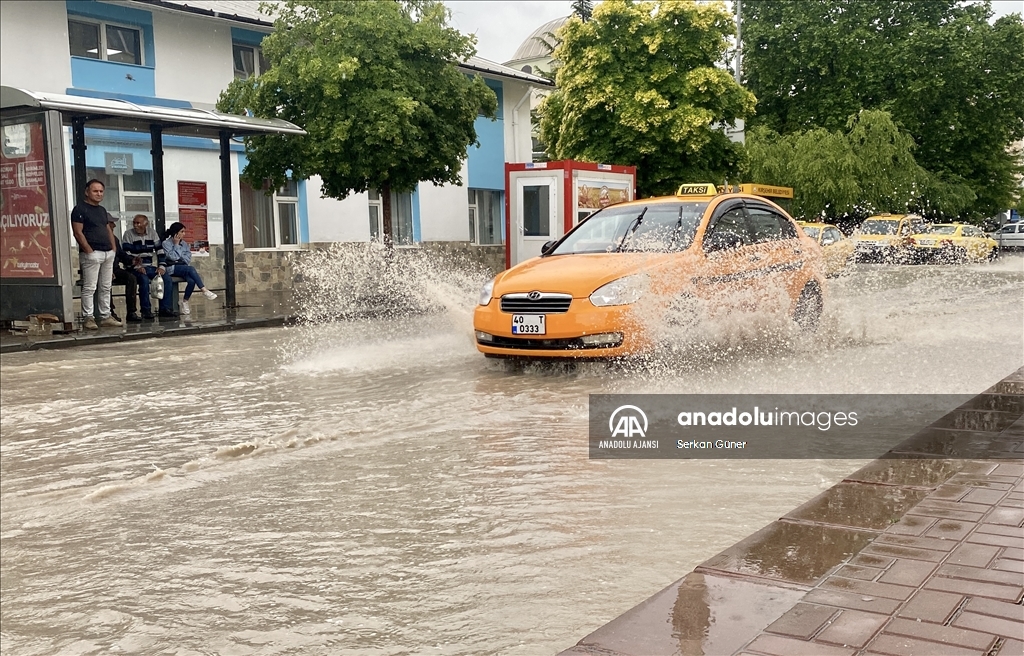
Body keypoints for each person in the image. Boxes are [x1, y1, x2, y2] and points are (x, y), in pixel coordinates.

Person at [71, 179, 121, 330]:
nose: (99, 194)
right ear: (87, 192)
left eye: (101, 191)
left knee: (106, 286)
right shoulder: (79, 209)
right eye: (95, 191)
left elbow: (108, 230)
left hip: (107, 253)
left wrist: (113, 249)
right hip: (92, 254)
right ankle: (88, 317)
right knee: (90, 287)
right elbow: (77, 233)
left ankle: (105, 316)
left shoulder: (102, 210)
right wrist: (88, 250)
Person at [122, 214, 175, 319]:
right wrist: (137, 267)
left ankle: (165, 309)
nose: (135, 225)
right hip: (135, 267)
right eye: (134, 223)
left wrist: (161, 266)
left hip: (149, 266)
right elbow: (126, 254)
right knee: (143, 279)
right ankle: (146, 310)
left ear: (146, 224)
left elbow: (160, 251)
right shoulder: (128, 234)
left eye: (138, 223)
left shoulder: (152, 233)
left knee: (167, 278)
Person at [161, 222, 217, 317]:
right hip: (171, 268)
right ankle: (204, 290)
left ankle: (185, 301)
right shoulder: (166, 243)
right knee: (191, 269)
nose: (184, 234)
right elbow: (173, 257)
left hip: (183, 267)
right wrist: (176, 245)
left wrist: (179, 255)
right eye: (182, 231)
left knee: (191, 281)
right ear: (176, 232)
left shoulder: (185, 244)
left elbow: (187, 258)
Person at [110, 239, 142, 322]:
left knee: (131, 278)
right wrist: (108, 271)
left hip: (115, 269)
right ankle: (110, 312)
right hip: (104, 269)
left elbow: (121, 254)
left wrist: (131, 260)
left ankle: (131, 312)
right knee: (106, 280)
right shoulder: (100, 237)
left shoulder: (114, 239)